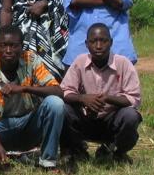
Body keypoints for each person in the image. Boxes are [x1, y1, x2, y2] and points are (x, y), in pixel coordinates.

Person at [0, 25, 64, 170]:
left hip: (30, 122)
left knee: (55, 103)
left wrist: (24, 88)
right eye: (4, 45)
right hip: (3, 126)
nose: (8, 50)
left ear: (21, 47)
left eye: (13, 46)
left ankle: (47, 163)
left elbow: (58, 91)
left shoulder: (31, 60)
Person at [60, 23, 142, 164]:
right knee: (62, 109)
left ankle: (118, 152)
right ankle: (76, 149)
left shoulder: (123, 64)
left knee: (131, 115)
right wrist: (83, 98)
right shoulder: (79, 62)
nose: (98, 46)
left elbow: (133, 98)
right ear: (86, 44)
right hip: (85, 119)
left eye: (103, 41)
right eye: (93, 41)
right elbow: (65, 91)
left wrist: (107, 99)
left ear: (110, 42)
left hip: (112, 121)